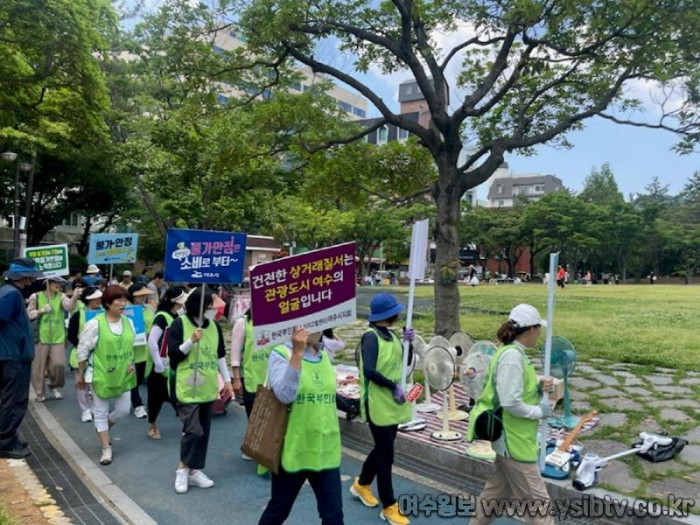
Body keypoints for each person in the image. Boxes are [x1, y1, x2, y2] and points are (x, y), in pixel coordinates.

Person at [466, 304, 554, 525]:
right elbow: (510, 401)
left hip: (510, 440)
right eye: (538, 329)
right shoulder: (513, 357)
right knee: (539, 508)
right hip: (515, 441)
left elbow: (513, 388)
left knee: (494, 495)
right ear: (531, 330)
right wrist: (538, 412)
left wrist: (536, 383)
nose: (540, 334)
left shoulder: (509, 352)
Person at [258, 327, 343, 525]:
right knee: (278, 510)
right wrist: (297, 353)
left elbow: (326, 392)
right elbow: (285, 395)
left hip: (325, 448)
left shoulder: (324, 354)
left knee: (334, 516)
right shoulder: (281, 353)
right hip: (294, 448)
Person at [350, 293, 413, 525]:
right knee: (387, 456)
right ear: (389, 314)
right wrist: (392, 386)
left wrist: (410, 344)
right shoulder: (370, 337)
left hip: (392, 404)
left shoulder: (393, 336)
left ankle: (362, 484)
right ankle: (389, 506)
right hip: (377, 403)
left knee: (381, 450)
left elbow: (405, 363)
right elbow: (369, 370)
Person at [168, 288, 232, 494]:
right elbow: (174, 355)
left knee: (203, 432)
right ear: (200, 305)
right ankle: (182, 469)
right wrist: (191, 341)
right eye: (211, 306)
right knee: (193, 430)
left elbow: (220, 355)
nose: (214, 310)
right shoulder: (180, 324)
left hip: (207, 387)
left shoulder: (214, 326)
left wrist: (228, 381)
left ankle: (194, 471)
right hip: (186, 387)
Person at [76, 285, 138, 465]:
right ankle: (106, 448)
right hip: (100, 374)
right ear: (108, 303)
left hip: (123, 374)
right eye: (118, 300)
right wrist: (80, 373)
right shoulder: (95, 324)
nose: (123, 303)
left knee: (123, 410)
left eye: (124, 300)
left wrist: (130, 364)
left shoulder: (129, 322)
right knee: (100, 411)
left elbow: (130, 347)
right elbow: (82, 349)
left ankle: (103, 428)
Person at [0, 258, 44, 458]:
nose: (32, 280)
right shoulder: (11, 294)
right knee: (14, 400)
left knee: (11, 399)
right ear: (24, 276)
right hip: (14, 357)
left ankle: (8, 437)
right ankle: (5, 443)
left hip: (12, 355)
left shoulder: (8, 292)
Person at [230, 307, 273, 472]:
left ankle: (263, 450)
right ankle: (253, 448)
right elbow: (235, 352)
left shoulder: (276, 322)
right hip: (251, 379)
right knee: (255, 417)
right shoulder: (243, 323)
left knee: (271, 417)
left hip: (271, 378)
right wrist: (236, 377)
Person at [145, 287, 188, 440]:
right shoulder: (162, 317)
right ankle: (152, 424)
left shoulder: (178, 316)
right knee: (156, 398)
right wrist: (157, 363)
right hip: (161, 366)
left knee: (178, 396)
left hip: (174, 364)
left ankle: (187, 424)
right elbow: (152, 341)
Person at [27, 276, 78, 401]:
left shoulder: (61, 296)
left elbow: (69, 307)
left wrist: (75, 296)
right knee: (38, 367)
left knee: (58, 365)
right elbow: (28, 314)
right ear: (47, 283)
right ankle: (40, 393)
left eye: (60, 283)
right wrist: (41, 311)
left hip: (58, 336)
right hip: (40, 337)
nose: (59, 285)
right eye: (56, 282)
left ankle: (54, 386)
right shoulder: (36, 296)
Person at [66, 287, 104, 422]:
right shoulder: (78, 314)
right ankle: (85, 410)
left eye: (100, 297)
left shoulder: (104, 313)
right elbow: (71, 335)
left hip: (99, 354)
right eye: (96, 298)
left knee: (95, 383)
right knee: (81, 383)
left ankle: (95, 406)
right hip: (80, 354)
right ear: (88, 299)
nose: (99, 300)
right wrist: (83, 348)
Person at [127, 283, 155, 419]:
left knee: (139, 378)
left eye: (145, 295)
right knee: (133, 380)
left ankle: (130, 396)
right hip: (131, 350)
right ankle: (137, 404)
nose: (143, 297)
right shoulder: (125, 310)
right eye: (140, 295)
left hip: (145, 350)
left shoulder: (148, 309)